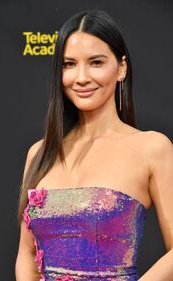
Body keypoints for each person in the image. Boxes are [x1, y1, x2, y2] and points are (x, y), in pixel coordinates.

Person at [15, 9, 173, 281]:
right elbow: (27, 255)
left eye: (96, 62)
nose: (81, 77)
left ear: (121, 68)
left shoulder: (151, 148)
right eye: (69, 64)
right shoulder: (39, 153)